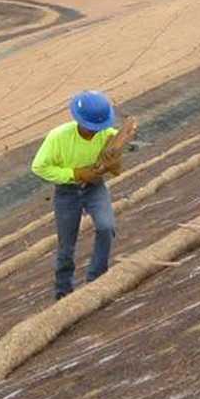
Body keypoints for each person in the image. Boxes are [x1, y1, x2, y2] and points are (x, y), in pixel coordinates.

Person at [32, 90, 124, 300]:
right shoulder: (59, 137)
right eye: (91, 128)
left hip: (95, 187)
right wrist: (73, 174)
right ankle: (63, 292)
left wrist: (114, 161)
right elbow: (39, 167)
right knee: (66, 246)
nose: (94, 132)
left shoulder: (107, 134)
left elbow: (117, 166)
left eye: (97, 128)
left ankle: (96, 279)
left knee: (106, 226)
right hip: (67, 192)